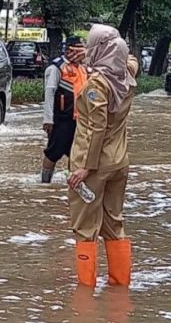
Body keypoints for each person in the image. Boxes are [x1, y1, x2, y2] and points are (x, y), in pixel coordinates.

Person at [66, 24, 138, 287]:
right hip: (119, 162)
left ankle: (85, 294)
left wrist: (85, 167)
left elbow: (97, 127)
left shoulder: (98, 83)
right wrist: (114, 44)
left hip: (94, 165)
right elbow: (131, 59)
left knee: (85, 227)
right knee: (114, 224)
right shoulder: (126, 74)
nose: (86, 49)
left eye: (91, 44)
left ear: (100, 50)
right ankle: (119, 288)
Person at [40, 36, 87, 183]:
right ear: (69, 50)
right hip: (60, 119)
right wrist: (48, 120)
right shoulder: (56, 67)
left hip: (78, 120)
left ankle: (72, 183)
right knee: (53, 152)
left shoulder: (82, 69)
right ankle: (45, 184)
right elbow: (49, 93)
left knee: (74, 153)